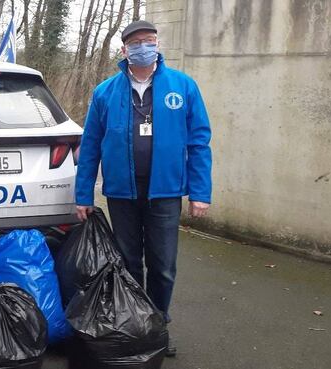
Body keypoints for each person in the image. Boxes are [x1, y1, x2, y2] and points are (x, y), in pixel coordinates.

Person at [74, 20, 212, 357]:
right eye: (135, 42)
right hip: (122, 193)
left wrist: (200, 192)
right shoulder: (105, 92)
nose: (142, 47)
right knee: (128, 263)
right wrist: (84, 195)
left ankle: (159, 326)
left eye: (148, 40)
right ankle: (135, 327)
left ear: (157, 45)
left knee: (163, 265)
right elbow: (90, 145)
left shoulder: (183, 86)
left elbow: (199, 142)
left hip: (164, 192)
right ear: (124, 50)